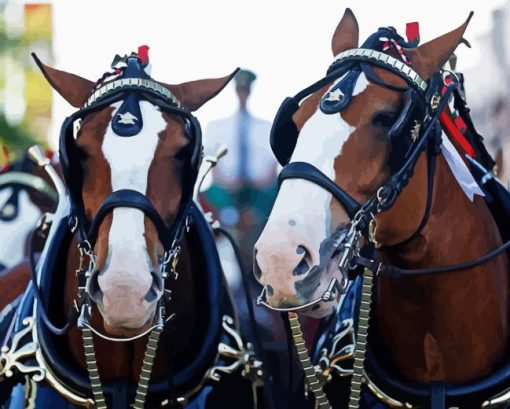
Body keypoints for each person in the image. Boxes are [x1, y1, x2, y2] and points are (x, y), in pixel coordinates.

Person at [203, 69, 277, 266]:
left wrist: (257, 185)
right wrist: (229, 183)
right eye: (240, 87)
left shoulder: (266, 127)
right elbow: (212, 163)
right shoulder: (217, 127)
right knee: (203, 202)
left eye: (246, 88)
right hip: (226, 190)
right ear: (236, 89)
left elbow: (273, 165)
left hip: (258, 191)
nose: (243, 92)